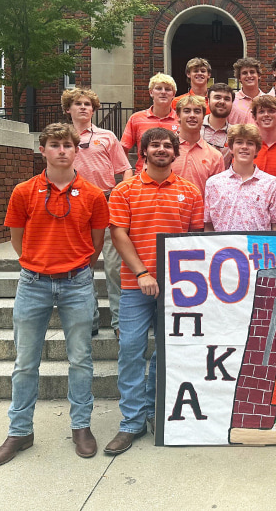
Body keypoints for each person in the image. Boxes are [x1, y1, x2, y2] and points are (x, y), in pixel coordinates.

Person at [0, 123, 109, 468]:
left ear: (76, 150)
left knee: (81, 359)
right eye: (54, 145)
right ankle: (19, 430)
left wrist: (76, 267)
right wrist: (37, 262)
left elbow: (96, 243)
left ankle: (80, 426)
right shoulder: (24, 191)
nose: (61, 150)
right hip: (33, 283)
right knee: (25, 362)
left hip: (76, 284)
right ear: (43, 150)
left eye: (67, 145)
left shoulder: (94, 195)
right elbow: (17, 238)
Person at [106, 127, 204, 455]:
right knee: (131, 349)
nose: (161, 149)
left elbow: (195, 240)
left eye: (167, 145)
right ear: (143, 152)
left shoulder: (190, 192)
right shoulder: (125, 190)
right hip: (137, 284)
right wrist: (143, 272)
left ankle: (152, 409)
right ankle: (131, 422)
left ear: (175, 153)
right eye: (155, 145)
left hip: (177, 290)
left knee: (168, 351)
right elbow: (119, 234)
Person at [62, 88, 132, 338]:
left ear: (93, 109)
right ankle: (88, 320)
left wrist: (122, 194)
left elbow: (125, 169)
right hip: (74, 205)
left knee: (114, 266)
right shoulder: (62, 139)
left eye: (88, 104)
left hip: (106, 201)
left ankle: (119, 321)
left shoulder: (107, 136)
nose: (83, 107)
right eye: (77, 104)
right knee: (82, 267)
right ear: (67, 109)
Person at [204, 124, 276, 232]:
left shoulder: (272, 183)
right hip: (224, 248)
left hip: (257, 248)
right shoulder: (213, 183)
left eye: (250, 143)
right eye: (239, 142)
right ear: (231, 148)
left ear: (256, 150)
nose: (244, 147)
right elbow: (208, 226)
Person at [121, 73, 179, 172]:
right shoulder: (136, 118)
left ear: (173, 94)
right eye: (159, 88)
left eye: (168, 89)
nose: (163, 92)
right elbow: (123, 149)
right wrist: (127, 173)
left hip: (173, 177)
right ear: (151, 92)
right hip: (142, 177)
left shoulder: (181, 120)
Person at [172, 95, 225, 198]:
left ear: (203, 117)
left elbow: (217, 195)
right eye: (187, 111)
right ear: (178, 116)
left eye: (197, 111)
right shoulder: (165, 152)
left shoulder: (215, 156)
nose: (192, 115)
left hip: (200, 213)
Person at [202, 83, 235, 166]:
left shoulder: (235, 134)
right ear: (208, 100)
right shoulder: (195, 128)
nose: (222, 102)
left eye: (227, 99)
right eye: (217, 97)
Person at [230, 57, 265, 123]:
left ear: (259, 75)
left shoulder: (268, 100)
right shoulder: (231, 100)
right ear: (239, 78)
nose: (249, 76)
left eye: (252, 72)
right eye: (244, 73)